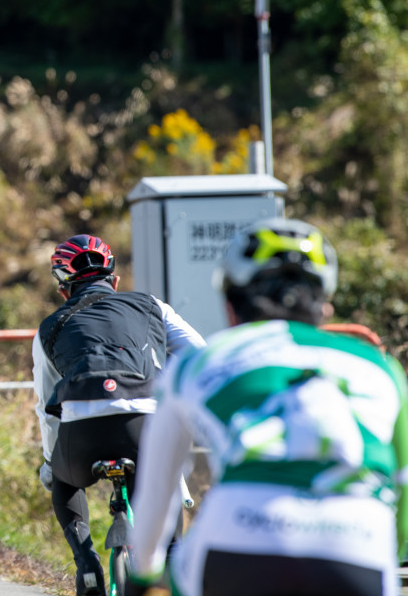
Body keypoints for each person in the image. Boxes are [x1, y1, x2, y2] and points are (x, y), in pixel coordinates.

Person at [128, 218, 408, 596]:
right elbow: (403, 492)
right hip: (357, 550)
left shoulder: (196, 364)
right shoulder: (380, 368)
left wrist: (144, 574)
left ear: (230, 305)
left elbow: (158, 490)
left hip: (236, 543)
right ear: (324, 305)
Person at [32, 234, 204, 596]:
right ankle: (168, 569)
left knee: (63, 481)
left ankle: (87, 564)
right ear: (116, 279)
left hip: (82, 431)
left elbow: (47, 407)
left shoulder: (49, 327)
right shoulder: (151, 306)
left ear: (62, 287)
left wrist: (50, 463)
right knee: (166, 485)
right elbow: (200, 356)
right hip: (144, 422)